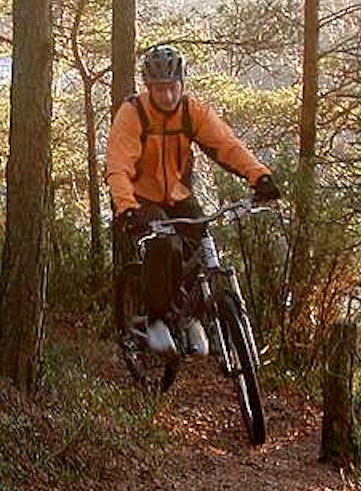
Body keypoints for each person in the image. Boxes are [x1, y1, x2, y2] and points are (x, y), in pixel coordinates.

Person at [105, 44, 280, 356]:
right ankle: (157, 320)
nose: (168, 95)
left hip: (178, 194)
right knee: (163, 244)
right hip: (141, 196)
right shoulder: (133, 113)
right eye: (160, 89)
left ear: (182, 83)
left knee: (202, 244)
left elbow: (227, 145)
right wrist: (126, 207)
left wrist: (259, 176)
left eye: (173, 87)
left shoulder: (192, 112)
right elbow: (118, 165)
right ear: (149, 87)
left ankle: (192, 317)